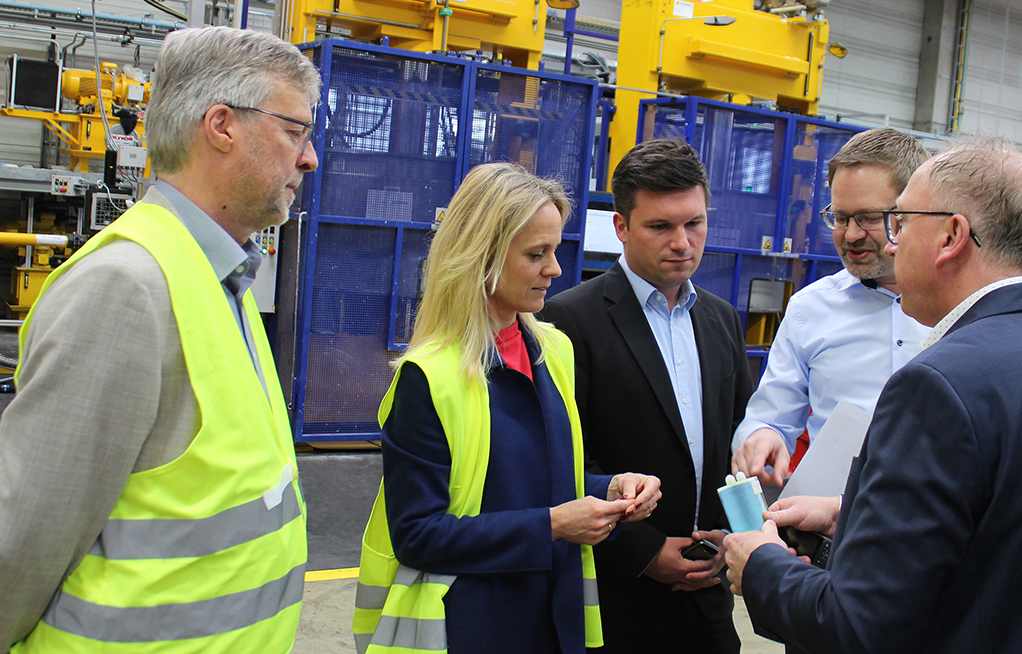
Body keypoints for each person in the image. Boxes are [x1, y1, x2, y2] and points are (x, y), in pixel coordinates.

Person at [724, 136, 1022, 654]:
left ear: (951, 235)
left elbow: (858, 626)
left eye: (899, 222)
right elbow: (1005, 535)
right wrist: (852, 513)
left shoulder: (937, 383)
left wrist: (762, 564)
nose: (890, 243)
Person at [0, 27, 319, 653]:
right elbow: (25, 536)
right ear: (222, 126)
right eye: (295, 131)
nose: (309, 159)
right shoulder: (126, 287)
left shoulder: (219, 275)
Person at [352, 162, 662, 654]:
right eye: (536, 254)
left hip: (553, 620)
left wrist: (612, 488)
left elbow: (542, 479)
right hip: (474, 626)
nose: (555, 269)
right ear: (482, 258)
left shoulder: (553, 350)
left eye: (555, 250)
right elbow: (417, 534)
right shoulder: (429, 377)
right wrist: (555, 525)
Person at [540, 139, 754, 653]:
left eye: (694, 223)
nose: (682, 242)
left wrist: (736, 536)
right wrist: (643, 550)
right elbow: (558, 461)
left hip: (708, 584)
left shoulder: (721, 319)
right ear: (621, 227)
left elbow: (737, 440)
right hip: (615, 594)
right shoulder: (568, 321)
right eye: (660, 226)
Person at [732, 127, 930, 485]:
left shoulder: (962, 311)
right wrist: (763, 436)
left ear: (913, 212)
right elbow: (771, 416)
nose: (851, 235)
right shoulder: (810, 308)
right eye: (840, 217)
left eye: (869, 218)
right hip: (827, 530)